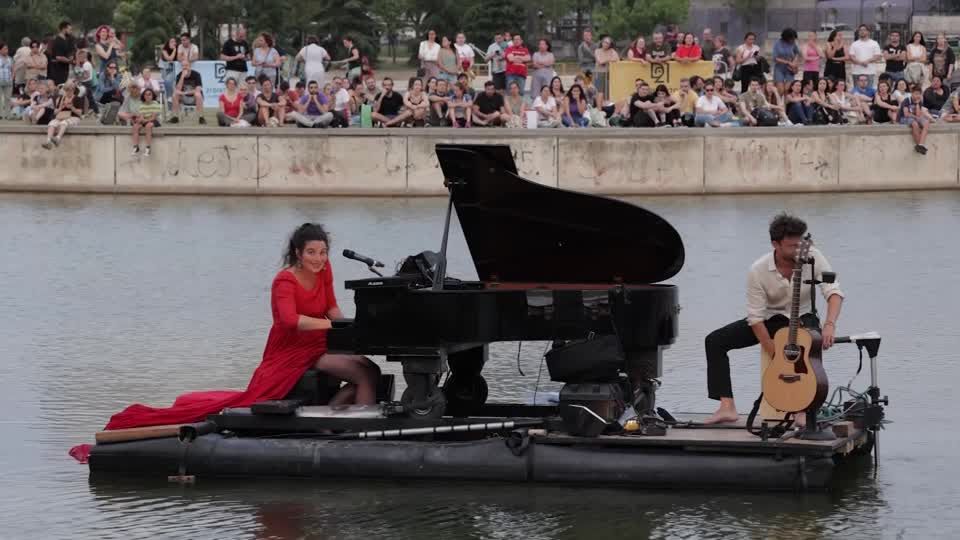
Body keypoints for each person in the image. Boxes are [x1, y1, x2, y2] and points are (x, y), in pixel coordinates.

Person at [68, 223, 381, 464]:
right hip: (291, 351)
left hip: (320, 342)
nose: (318, 258)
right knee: (362, 374)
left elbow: (331, 307)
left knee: (367, 365)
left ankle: (331, 417)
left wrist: (349, 330)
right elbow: (289, 321)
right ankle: (364, 439)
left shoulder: (324, 271)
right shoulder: (285, 280)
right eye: (311, 253)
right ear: (298, 253)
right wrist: (331, 326)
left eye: (322, 252)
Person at [703, 214, 844, 425]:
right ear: (775, 244)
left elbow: (833, 292)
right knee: (714, 341)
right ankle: (727, 406)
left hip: (803, 317)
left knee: (809, 343)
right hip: (769, 320)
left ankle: (804, 408)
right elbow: (756, 318)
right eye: (791, 246)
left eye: (800, 244)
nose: (798, 250)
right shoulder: (758, 270)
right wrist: (774, 352)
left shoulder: (812, 256)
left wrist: (830, 325)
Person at [169, 60, 206, 124]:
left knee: (198, 94)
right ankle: (175, 117)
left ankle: (201, 117)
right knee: (175, 95)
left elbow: (198, 89)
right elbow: (178, 89)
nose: (184, 67)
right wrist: (182, 77)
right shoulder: (179, 75)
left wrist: (184, 93)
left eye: (186, 65)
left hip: (194, 98)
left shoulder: (196, 74)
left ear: (190, 66)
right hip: (183, 98)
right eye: (183, 66)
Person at [899, 83, 933, 155]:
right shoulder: (907, 100)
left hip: (914, 117)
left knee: (926, 123)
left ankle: (921, 144)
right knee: (915, 124)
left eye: (919, 94)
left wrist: (917, 104)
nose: (917, 95)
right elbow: (906, 114)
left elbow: (918, 114)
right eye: (916, 93)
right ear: (912, 93)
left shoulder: (919, 102)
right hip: (903, 118)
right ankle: (919, 145)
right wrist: (916, 118)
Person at [131, 88, 161, 157]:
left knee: (148, 125)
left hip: (153, 121)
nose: (147, 96)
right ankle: (136, 147)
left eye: (149, 94)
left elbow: (153, 117)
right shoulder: (142, 105)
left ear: (152, 96)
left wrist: (144, 120)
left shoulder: (155, 103)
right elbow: (142, 116)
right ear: (144, 96)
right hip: (145, 120)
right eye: (146, 95)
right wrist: (139, 120)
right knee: (135, 126)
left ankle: (148, 147)